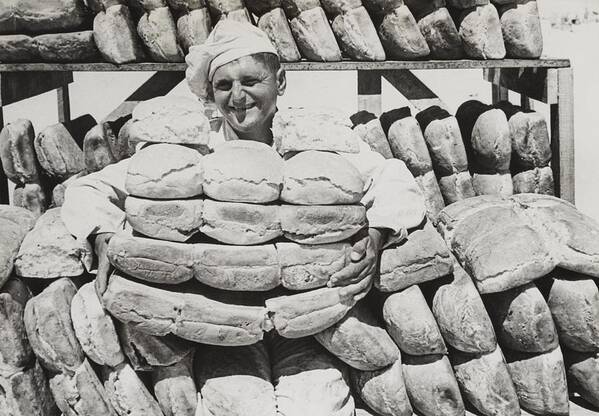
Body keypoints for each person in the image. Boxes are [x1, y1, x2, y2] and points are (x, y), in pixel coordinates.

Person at [61, 20, 426, 415]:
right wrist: (101, 237)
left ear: (280, 81)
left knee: (316, 407)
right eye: (224, 85)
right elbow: (89, 189)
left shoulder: (313, 145)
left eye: (251, 80)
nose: (238, 97)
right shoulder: (196, 150)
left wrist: (375, 237)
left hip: (305, 316)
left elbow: (392, 178)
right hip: (218, 322)